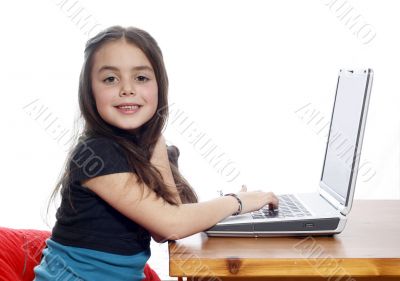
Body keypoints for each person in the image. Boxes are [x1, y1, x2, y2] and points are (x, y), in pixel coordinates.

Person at [33, 25, 279, 281]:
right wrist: (238, 202)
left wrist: (156, 143)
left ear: (159, 86)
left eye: (141, 78)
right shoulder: (95, 154)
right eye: (110, 79)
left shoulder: (144, 148)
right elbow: (171, 225)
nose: (127, 89)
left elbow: (165, 227)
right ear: (89, 91)